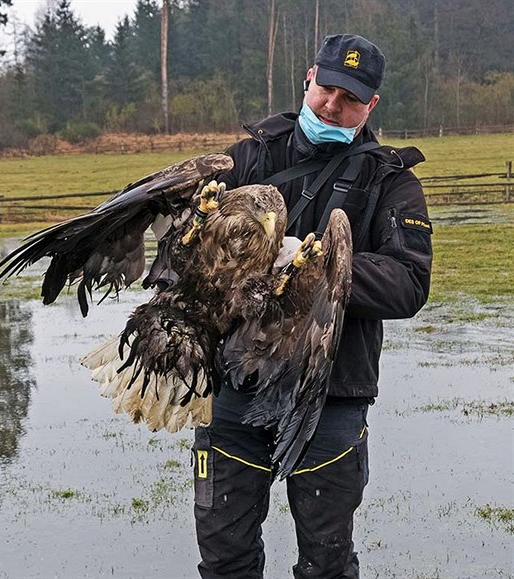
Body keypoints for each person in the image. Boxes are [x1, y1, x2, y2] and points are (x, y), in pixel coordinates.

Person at [193, 34, 433, 579]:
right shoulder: (246, 158)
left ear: (371, 105)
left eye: (350, 99)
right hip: (234, 387)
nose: (332, 105)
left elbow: (409, 283)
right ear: (308, 78)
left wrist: (314, 261)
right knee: (225, 560)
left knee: (326, 565)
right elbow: (184, 250)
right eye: (326, 89)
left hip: (332, 394)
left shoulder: (390, 181)